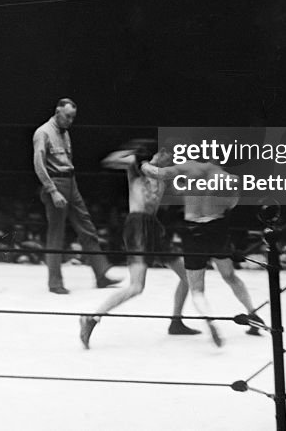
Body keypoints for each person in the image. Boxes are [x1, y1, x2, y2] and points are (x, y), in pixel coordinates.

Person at [78, 145, 200, 349]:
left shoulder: (164, 176)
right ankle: (91, 318)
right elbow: (108, 160)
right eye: (163, 153)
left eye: (171, 156)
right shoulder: (137, 170)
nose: (167, 158)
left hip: (154, 228)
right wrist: (130, 155)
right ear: (155, 154)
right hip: (137, 226)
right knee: (136, 287)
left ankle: (176, 322)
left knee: (187, 278)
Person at [175, 155, 264, 347]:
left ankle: (210, 320)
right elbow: (230, 205)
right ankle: (253, 313)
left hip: (192, 231)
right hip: (217, 229)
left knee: (197, 288)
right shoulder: (230, 179)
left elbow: (178, 192)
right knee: (230, 276)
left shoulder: (189, 175)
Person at [33, 98, 119, 294]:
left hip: (70, 182)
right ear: (57, 112)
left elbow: (68, 161)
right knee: (56, 233)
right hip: (56, 182)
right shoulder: (43, 133)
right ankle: (55, 283)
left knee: (87, 226)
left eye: (73, 117)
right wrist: (52, 190)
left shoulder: (65, 133)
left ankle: (101, 273)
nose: (70, 121)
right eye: (68, 116)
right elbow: (39, 165)